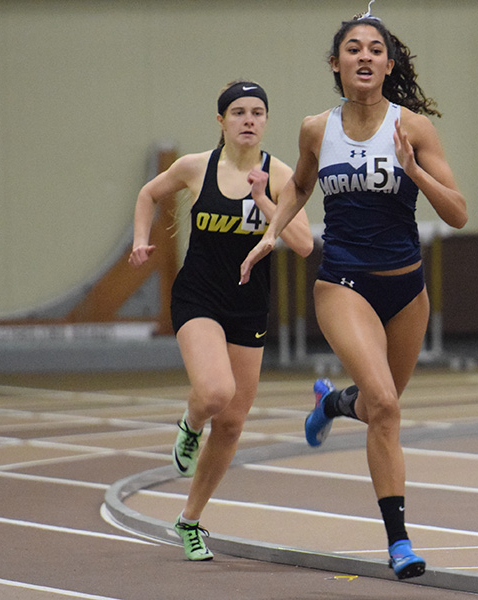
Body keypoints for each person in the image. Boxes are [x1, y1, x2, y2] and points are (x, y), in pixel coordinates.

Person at [239, 7, 467, 580]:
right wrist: (270, 235)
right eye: (353, 49)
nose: (364, 56)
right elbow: (299, 186)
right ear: (337, 64)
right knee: (387, 406)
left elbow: (458, 214)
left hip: (406, 290)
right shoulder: (318, 127)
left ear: (389, 64)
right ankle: (400, 543)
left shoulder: (411, 128)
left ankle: (332, 404)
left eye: (374, 49)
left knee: (374, 406)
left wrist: (415, 172)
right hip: (343, 283)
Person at [129, 80, 312, 560]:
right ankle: (190, 424)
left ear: (266, 121)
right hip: (199, 298)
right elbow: (149, 194)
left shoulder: (280, 174)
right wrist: (139, 240)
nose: (248, 120)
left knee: (231, 423)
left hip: (249, 306)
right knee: (214, 393)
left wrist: (264, 199)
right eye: (238, 112)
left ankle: (189, 520)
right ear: (221, 121)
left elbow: (304, 243)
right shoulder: (196, 167)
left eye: (257, 112)